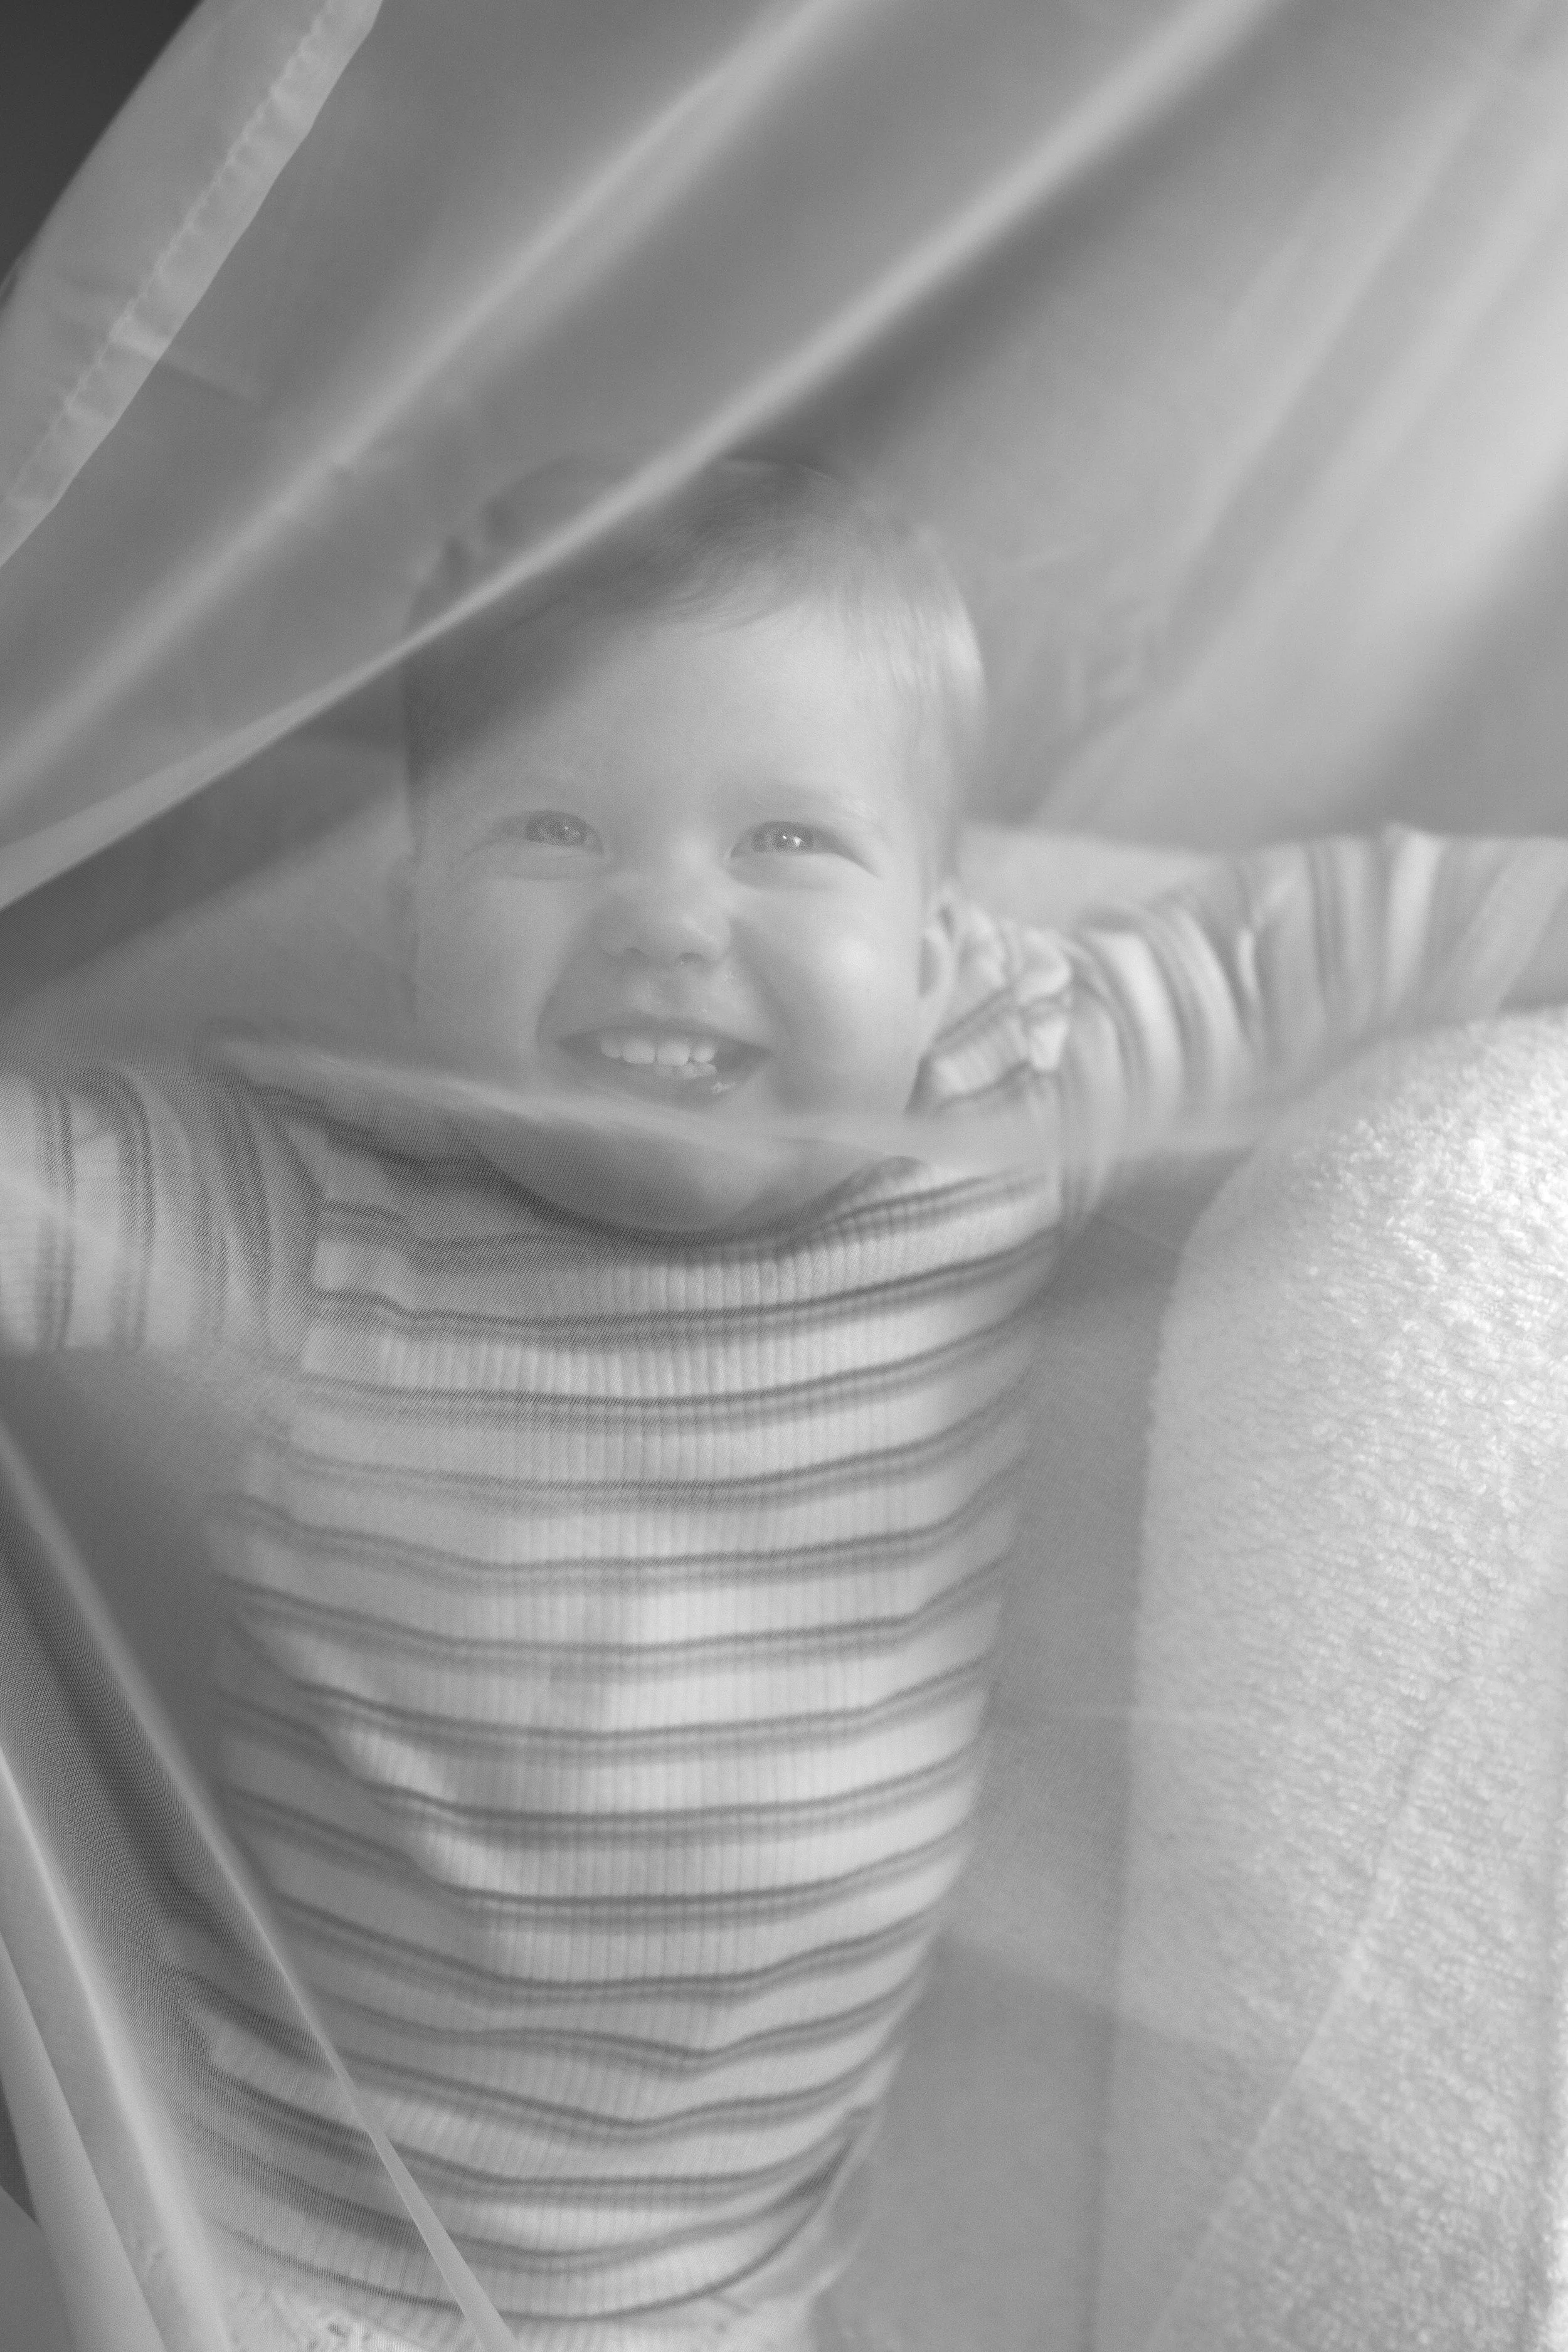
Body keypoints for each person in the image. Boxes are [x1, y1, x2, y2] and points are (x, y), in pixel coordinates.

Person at [3, 457, 1566, 2352]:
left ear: (933, 931)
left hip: (718, 2280)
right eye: (555, 828)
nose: (666, 915)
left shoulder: (989, 1092)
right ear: (412, 922)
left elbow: (1326, 937)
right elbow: (45, 1197)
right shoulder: (320, 1183)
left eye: (787, 845)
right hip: (259, 2221)